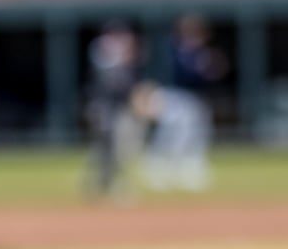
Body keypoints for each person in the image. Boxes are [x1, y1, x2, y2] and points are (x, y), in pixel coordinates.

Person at [145, 14, 227, 191]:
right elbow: (176, 73)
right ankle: (158, 170)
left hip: (194, 98)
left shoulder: (201, 53)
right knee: (170, 135)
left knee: (197, 135)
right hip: (172, 96)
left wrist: (210, 68)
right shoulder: (172, 49)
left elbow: (209, 75)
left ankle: (190, 171)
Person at [84, 20, 145, 199]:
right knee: (105, 148)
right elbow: (110, 82)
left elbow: (129, 84)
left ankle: (110, 184)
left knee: (123, 148)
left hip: (121, 108)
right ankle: (102, 185)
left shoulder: (125, 57)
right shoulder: (101, 53)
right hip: (103, 107)